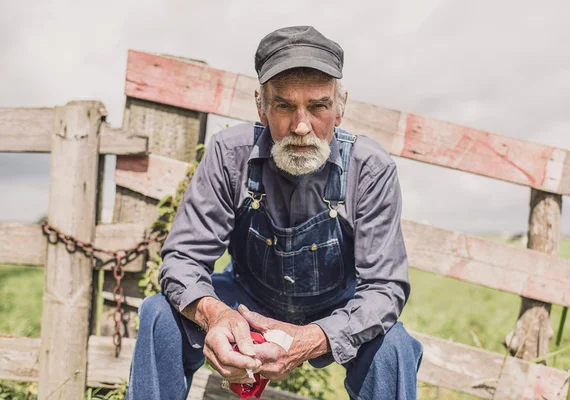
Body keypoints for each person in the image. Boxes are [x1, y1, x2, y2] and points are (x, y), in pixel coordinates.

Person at [126, 25, 423, 400]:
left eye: (318, 106)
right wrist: (217, 316)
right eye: (284, 105)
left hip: (334, 310)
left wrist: (313, 337)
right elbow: (183, 259)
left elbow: (384, 288)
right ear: (261, 107)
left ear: (340, 107)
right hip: (246, 301)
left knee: (393, 348)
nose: (301, 126)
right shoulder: (228, 154)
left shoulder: (370, 168)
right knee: (160, 316)